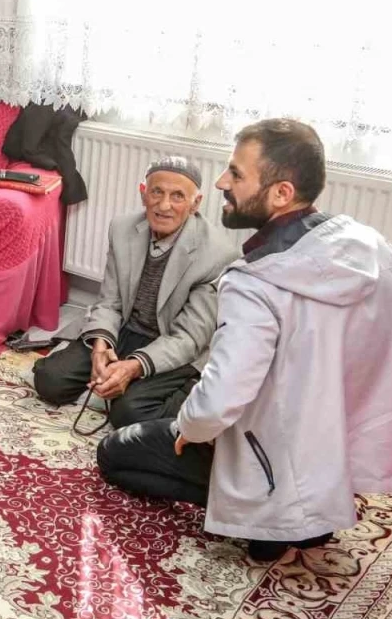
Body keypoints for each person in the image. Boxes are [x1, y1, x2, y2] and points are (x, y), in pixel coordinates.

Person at [98, 119, 392, 562]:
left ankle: (264, 514)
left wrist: (189, 429)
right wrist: (342, 390)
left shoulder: (253, 282)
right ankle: (307, 512)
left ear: (281, 193)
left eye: (235, 173)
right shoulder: (370, 246)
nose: (221, 182)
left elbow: (217, 403)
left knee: (114, 452)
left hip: (264, 457)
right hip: (330, 449)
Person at [33, 157, 238, 428]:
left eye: (178, 196)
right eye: (157, 192)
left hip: (171, 342)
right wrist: (101, 345)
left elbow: (189, 338)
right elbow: (109, 302)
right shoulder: (122, 228)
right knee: (50, 380)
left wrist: (133, 367)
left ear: (195, 203)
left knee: (128, 414)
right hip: (126, 330)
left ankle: (188, 387)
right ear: (143, 193)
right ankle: (117, 376)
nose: (164, 206)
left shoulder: (218, 254)